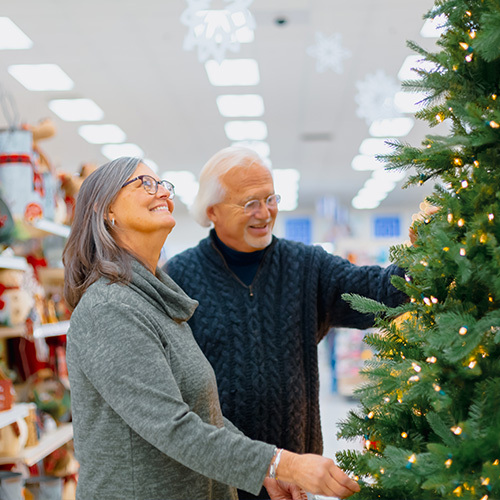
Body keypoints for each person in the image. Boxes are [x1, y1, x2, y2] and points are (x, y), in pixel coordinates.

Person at [62, 156, 360, 500]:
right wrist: (281, 463)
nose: (162, 192)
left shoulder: (157, 301)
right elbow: (172, 426)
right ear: (104, 209)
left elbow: (203, 414)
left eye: (163, 185)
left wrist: (262, 471)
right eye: (144, 183)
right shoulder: (109, 309)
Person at [166, 146, 410, 499]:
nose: (265, 213)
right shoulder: (179, 277)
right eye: (250, 202)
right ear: (212, 211)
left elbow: (377, 292)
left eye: (270, 198)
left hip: (294, 481)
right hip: (213, 480)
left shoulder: (306, 265)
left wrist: (426, 255)